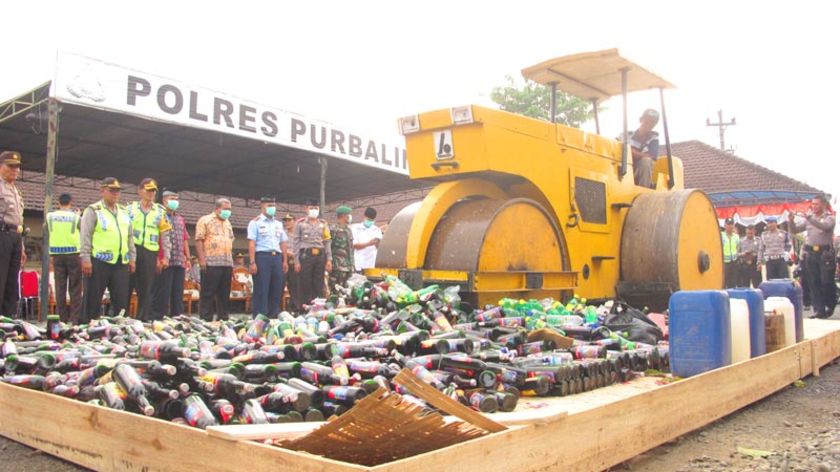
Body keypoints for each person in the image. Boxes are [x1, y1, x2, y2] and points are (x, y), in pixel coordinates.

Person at [80, 178, 135, 322]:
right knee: (92, 299)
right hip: (99, 261)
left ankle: (120, 329)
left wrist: (132, 258)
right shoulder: (93, 210)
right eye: (111, 191)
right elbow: (85, 235)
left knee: (121, 302)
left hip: (120, 262)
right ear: (102, 191)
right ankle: (88, 327)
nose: (115, 194)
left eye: (117, 191)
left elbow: (130, 237)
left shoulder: (124, 212)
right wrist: (85, 258)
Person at [127, 178, 172, 321]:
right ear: (140, 191)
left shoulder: (160, 211)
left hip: (150, 252)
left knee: (146, 288)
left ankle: (142, 318)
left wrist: (165, 256)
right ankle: (122, 317)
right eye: (148, 190)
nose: (151, 193)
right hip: (131, 250)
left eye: (154, 191)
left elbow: (165, 236)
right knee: (126, 286)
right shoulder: (129, 209)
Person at [788, 196, 836, 319]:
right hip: (811, 253)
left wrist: (810, 218)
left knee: (826, 281)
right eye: (813, 204)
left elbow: (825, 227)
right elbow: (795, 230)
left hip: (825, 254)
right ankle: (819, 310)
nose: (814, 206)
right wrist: (791, 221)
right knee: (813, 282)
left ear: (824, 205)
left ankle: (830, 304)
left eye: (817, 204)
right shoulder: (810, 220)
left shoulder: (829, 218)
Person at [152, 190, 191, 318]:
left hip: (179, 260)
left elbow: (185, 239)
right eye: (172, 198)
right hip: (165, 261)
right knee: (163, 291)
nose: (175, 201)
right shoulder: (159, 216)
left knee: (177, 292)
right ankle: (159, 316)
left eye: (176, 199)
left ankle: (177, 316)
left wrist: (188, 258)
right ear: (164, 200)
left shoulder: (180, 219)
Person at [247, 196, 288, 317]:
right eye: (269, 205)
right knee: (262, 288)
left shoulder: (278, 224)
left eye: (273, 205)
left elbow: (283, 243)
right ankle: (260, 317)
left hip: (277, 257)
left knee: (276, 287)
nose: (272, 208)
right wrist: (252, 262)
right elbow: (252, 243)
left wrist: (284, 260)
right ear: (262, 206)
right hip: (262, 257)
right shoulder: (255, 222)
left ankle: (273, 315)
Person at [195, 198, 235, 321]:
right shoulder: (205, 220)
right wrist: (202, 260)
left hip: (227, 263)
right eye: (225, 209)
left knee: (224, 293)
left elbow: (230, 241)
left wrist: (231, 263)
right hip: (211, 263)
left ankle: (223, 317)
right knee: (208, 293)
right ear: (217, 208)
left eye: (229, 209)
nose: (228, 211)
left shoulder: (228, 223)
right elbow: (199, 240)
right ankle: (206, 318)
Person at [46, 192, 82, 322]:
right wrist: (78, 215)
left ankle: (61, 319)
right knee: (75, 288)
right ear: (70, 202)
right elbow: (82, 230)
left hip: (57, 255)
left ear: (58, 202)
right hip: (73, 254)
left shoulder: (50, 216)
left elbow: (47, 230)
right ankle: (75, 319)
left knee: (60, 288)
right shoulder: (75, 217)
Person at [0, 151, 25, 317]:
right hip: (2, 234)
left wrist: (21, 246)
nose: (15, 170)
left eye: (17, 167)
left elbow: (19, 221)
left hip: (15, 236)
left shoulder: (15, 190)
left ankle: (8, 321)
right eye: (10, 166)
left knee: (11, 283)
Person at [294, 200, 331, 307]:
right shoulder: (300, 224)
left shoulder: (323, 224)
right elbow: (296, 242)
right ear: (306, 209)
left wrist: (329, 259)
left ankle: (317, 307)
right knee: (305, 282)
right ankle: (304, 307)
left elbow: (327, 242)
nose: (314, 210)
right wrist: (296, 261)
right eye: (311, 208)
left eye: (316, 208)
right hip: (306, 255)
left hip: (320, 255)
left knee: (318, 283)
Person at [618, 109, 660, 188]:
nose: (649, 124)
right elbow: (615, 147)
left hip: (639, 172)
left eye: (652, 123)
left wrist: (632, 153)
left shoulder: (654, 139)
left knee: (646, 161)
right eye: (647, 121)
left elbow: (651, 156)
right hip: (622, 169)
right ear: (641, 120)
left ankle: (643, 191)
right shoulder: (625, 136)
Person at [329, 206, 355, 291]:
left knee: (347, 291)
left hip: (348, 267)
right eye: (349, 215)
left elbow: (351, 249)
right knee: (336, 290)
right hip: (337, 267)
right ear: (343, 216)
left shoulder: (348, 230)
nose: (350, 217)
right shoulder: (333, 229)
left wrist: (352, 265)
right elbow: (329, 247)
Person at [352, 207, 383, 272]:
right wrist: (369, 243)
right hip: (360, 265)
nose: (370, 222)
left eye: (372, 220)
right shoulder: (356, 228)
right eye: (368, 219)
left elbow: (379, 248)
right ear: (364, 217)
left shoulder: (376, 229)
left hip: (372, 264)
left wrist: (377, 243)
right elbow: (355, 246)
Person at [282, 213, 299, 311]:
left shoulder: (298, 234)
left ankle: (294, 308)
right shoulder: (282, 233)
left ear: (295, 221)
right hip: (284, 260)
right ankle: (279, 308)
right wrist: (288, 252)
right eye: (285, 221)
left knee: (294, 286)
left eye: (289, 220)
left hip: (295, 262)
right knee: (281, 284)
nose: (287, 222)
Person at [721, 218, 740, 289]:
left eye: (731, 224)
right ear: (725, 225)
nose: (730, 226)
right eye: (728, 224)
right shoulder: (721, 235)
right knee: (723, 282)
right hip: (724, 262)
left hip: (734, 262)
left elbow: (738, 247)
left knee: (733, 282)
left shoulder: (736, 236)